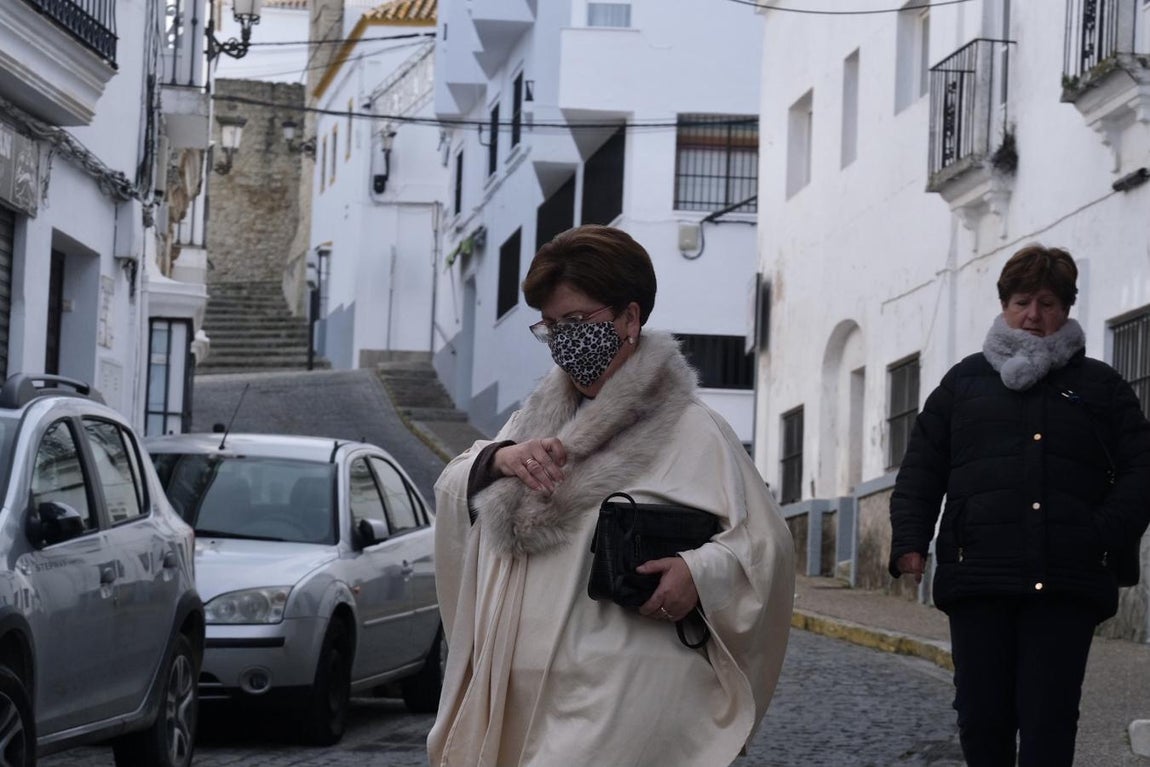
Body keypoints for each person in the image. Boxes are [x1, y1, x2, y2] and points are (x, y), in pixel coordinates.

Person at [428, 225, 795, 766]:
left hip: (623, 697)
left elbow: (767, 549)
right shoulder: (529, 423)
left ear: (629, 317)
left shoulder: (694, 431)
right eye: (550, 325)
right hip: (520, 697)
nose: (561, 339)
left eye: (576, 321)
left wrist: (698, 573)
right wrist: (495, 460)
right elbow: (458, 490)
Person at [889, 244, 1150, 767]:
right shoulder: (963, 383)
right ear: (1005, 305)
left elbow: (1142, 471)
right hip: (979, 577)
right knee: (981, 719)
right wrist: (910, 542)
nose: (1034, 316)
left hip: (1066, 582)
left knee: (1048, 723)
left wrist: (1099, 533)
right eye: (1023, 301)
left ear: (1067, 310)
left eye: (1048, 303)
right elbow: (922, 468)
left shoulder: (1100, 387)